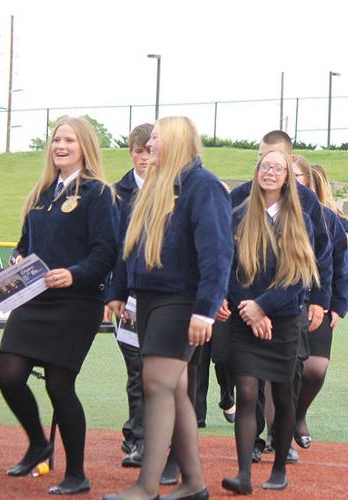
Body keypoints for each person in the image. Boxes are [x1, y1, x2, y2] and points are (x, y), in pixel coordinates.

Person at [105, 116, 232, 500]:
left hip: (180, 300)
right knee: (174, 392)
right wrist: (118, 290)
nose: (150, 145)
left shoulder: (204, 186)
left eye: (156, 138)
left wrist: (205, 310)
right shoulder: (156, 185)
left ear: (174, 141)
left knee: (157, 384)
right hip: (149, 299)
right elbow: (132, 247)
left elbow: (218, 254)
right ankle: (193, 483)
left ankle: (147, 485)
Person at [0, 116, 119, 495]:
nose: (60, 146)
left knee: (59, 385)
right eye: (56, 140)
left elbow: (107, 252)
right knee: (9, 375)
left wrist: (74, 273)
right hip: (34, 299)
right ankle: (38, 443)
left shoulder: (99, 194)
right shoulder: (41, 193)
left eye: (69, 140)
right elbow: (24, 243)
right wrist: (18, 259)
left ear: (85, 147)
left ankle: (77, 474)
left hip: (76, 301)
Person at [220, 149, 319, 494]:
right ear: (257, 171)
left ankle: (279, 468)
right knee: (246, 392)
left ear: (287, 177)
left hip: (284, 320)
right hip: (244, 320)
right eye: (265, 166)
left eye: (278, 168)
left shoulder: (300, 219)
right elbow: (228, 269)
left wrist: (262, 306)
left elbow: (297, 277)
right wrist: (247, 308)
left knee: (282, 394)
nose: (271, 172)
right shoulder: (237, 216)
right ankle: (244, 474)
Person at [292, 159, 348, 447]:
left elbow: (340, 264)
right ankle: (272, 433)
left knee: (314, 369)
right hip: (278, 302)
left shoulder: (328, 219)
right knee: (276, 371)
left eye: (296, 176)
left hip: (318, 302)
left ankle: (298, 414)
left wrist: (338, 305)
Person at [111, 123, 153, 468]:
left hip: (165, 298)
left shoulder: (177, 190)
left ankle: (151, 434)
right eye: (138, 151)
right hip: (126, 297)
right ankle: (138, 436)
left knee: (160, 372)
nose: (143, 158)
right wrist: (113, 294)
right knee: (137, 369)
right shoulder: (115, 194)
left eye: (149, 150)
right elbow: (112, 251)